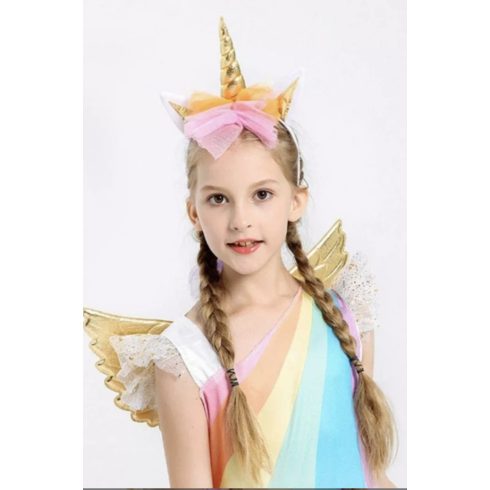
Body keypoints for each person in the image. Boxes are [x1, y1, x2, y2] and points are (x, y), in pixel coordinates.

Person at [105, 17, 399, 488]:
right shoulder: (186, 356)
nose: (241, 219)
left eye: (262, 194)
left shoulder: (346, 317)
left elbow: (373, 472)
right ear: (194, 211)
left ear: (296, 201)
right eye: (219, 199)